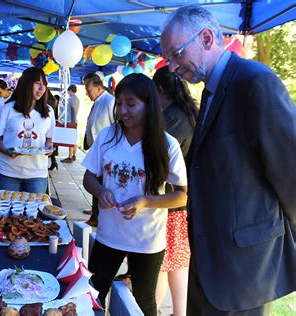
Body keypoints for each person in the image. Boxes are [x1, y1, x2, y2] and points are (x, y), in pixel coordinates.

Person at [161, 5, 295, 315]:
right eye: (169, 58)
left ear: (207, 38)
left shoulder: (254, 82)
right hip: (209, 262)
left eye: (176, 54)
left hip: (243, 271)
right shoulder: (211, 89)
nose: (172, 67)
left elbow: (291, 172)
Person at [82, 73, 187, 315]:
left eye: (131, 104)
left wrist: (145, 201)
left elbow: (181, 195)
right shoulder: (108, 136)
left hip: (147, 240)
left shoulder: (166, 144)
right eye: (119, 103)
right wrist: (101, 191)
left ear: (149, 104)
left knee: (144, 302)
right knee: (94, 293)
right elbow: (88, 178)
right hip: (109, 235)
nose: (123, 110)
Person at [153, 65, 198, 316]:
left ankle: (154, 311)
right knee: (177, 263)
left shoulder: (172, 118)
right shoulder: (189, 112)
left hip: (170, 201)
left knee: (159, 263)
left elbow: (157, 159)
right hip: (183, 203)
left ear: (160, 90)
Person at [0, 67, 55, 194]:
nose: (42, 88)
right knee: (7, 212)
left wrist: (49, 148)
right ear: (26, 84)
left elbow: (49, 140)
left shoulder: (49, 111)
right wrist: (8, 151)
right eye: (37, 84)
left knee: (34, 212)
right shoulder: (7, 109)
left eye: (44, 84)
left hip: (37, 174)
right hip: (8, 172)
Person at [83, 75, 115, 226]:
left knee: (100, 182)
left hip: (107, 151)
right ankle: (95, 212)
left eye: (89, 90)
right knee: (94, 180)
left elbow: (115, 124)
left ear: (98, 88)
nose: (87, 94)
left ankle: (97, 216)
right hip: (97, 150)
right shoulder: (97, 102)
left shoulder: (110, 101)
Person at [61, 84, 80, 163]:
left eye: (68, 91)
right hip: (75, 120)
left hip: (71, 121)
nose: (68, 93)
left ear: (71, 90)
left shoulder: (71, 99)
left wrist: (70, 122)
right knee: (74, 139)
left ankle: (70, 156)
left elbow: (72, 111)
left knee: (70, 139)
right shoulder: (77, 99)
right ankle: (74, 155)